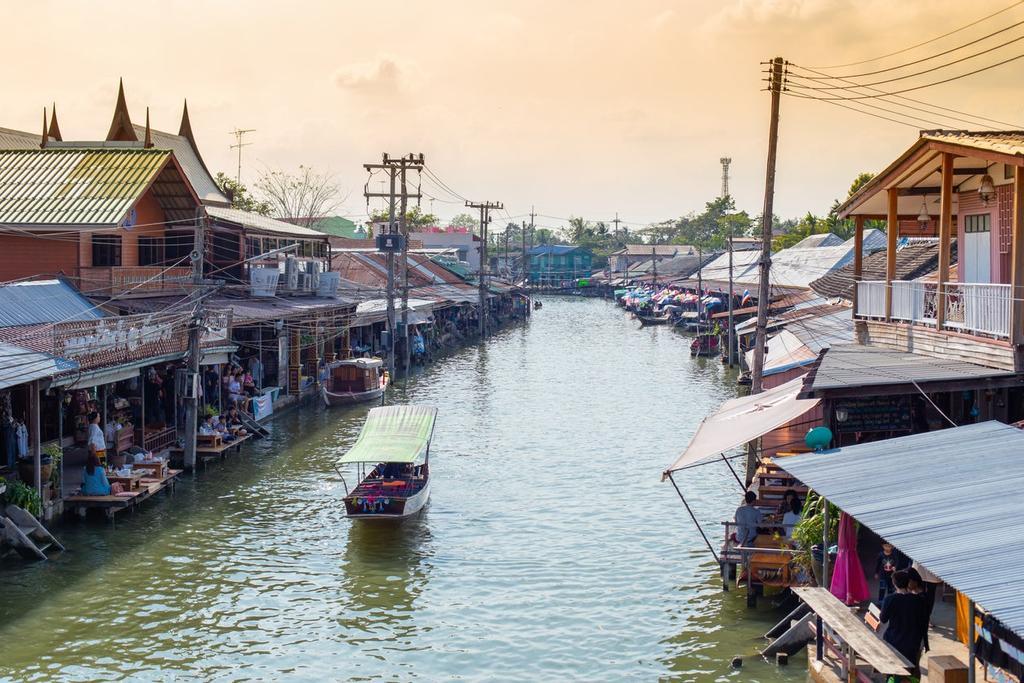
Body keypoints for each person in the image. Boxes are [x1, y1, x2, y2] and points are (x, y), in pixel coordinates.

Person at [880, 570, 930, 675]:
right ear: (908, 583)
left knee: (893, 671)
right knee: (913, 670)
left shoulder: (890, 599)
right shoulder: (919, 600)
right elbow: (924, 621)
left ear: (894, 584)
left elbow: (883, 619)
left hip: (894, 641)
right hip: (913, 642)